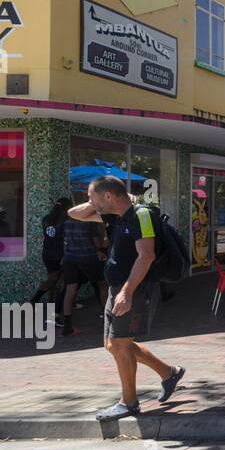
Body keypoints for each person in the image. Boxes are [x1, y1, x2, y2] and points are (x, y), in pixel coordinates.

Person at [75, 175, 185, 421]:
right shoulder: (115, 215)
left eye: (92, 197)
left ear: (108, 196)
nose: (88, 202)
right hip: (119, 289)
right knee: (112, 344)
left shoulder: (141, 215)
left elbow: (146, 255)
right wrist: (96, 202)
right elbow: (75, 213)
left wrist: (126, 292)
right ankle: (169, 373)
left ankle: (129, 403)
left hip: (134, 289)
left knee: (119, 344)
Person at [61, 197, 109, 337]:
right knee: (103, 284)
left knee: (70, 291)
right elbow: (99, 244)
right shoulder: (90, 224)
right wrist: (102, 232)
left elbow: (65, 240)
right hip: (88, 257)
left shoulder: (66, 223)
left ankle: (67, 326)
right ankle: (107, 319)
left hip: (70, 258)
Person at [30, 198, 70, 306]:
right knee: (58, 279)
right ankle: (36, 299)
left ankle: (51, 301)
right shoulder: (66, 220)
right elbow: (66, 238)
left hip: (47, 252)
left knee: (53, 279)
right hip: (60, 253)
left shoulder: (46, 219)